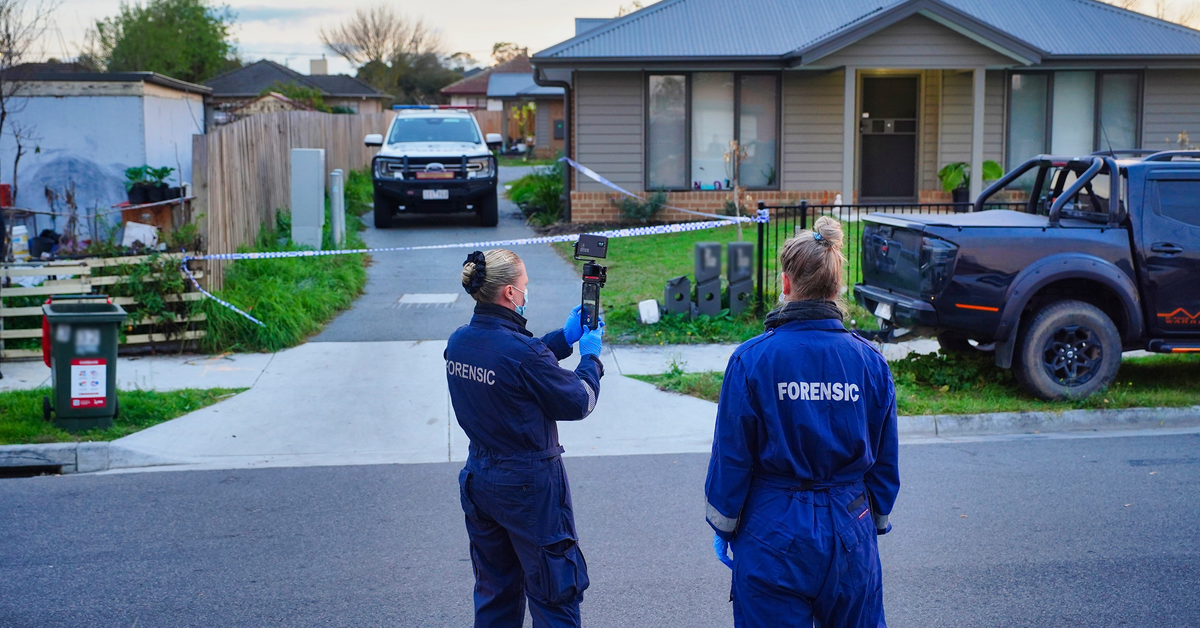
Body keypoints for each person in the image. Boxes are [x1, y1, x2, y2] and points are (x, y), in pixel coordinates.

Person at [705, 217, 900, 627]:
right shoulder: (870, 363)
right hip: (851, 522)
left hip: (773, 527)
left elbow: (732, 455)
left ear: (786, 284)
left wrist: (724, 524)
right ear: (836, 288)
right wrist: (874, 519)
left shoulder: (753, 359)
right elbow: (884, 457)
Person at [446, 249, 605, 628]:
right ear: (510, 295)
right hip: (528, 486)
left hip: (480, 478)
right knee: (554, 593)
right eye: (524, 286)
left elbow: (516, 365)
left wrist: (564, 339)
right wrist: (591, 358)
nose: (526, 291)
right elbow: (579, 400)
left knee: (496, 593)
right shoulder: (522, 353)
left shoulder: (460, 342)